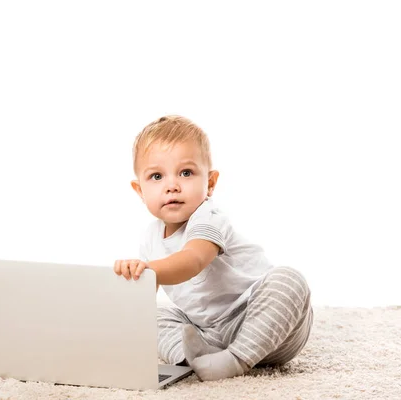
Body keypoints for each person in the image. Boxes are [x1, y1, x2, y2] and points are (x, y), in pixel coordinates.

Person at [113, 115, 313, 381]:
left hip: (267, 323)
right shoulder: (150, 237)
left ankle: (235, 360)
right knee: (155, 316)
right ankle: (195, 358)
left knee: (289, 280)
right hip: (212, 332)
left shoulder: (208, 217)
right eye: (156, 176)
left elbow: (194, 259)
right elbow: (147, 291)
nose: (172, 185)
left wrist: (150, 270)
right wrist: (133, 287)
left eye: (186, 173)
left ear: (210, 183)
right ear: (140, 190)